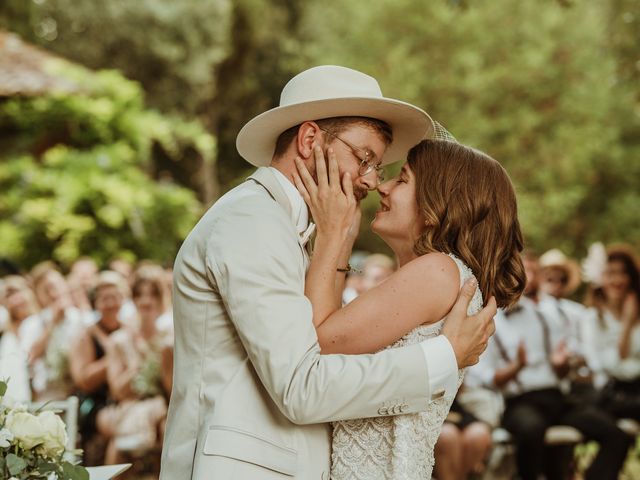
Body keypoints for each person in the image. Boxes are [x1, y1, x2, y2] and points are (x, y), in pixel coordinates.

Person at [160, 65, 497, 480]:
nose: (372, 181)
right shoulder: (251, 220)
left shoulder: (293, 229)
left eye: (381, 167)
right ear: (309, 140)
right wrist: (440, 360)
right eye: (365, 158)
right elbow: (301, 386)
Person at [294, 139, 525, 478]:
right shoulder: (443, 275)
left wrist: (331, 233)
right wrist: (343, 239)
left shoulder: (438, 271)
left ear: (441, 202)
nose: (382, 188)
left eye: (402, 179)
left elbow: (316, 342)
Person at [475, 253, 631, 480]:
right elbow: (488, 379)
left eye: (532, 271)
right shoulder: (489, 321)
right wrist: (516, 367)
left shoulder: (547, 314)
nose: (528, 277)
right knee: (531, 431)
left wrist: (562, 365)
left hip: (557, 399)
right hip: (520, 402)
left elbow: (563, 370)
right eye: (522, 271)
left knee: (615, 435)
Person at [97, 265, 171, 465]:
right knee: (118, 440)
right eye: (140, 295)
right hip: (130, 405)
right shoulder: (120, 340)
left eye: (153, 294)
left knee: (168, 429)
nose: (146, 301)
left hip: (165, 405)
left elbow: (171, 389)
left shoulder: (172, 337)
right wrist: (138, 360)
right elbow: (118, 391)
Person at [69, 270, 126, 465]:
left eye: (115, 297)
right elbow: (83, 380)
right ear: (96, 302)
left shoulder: (128, 329)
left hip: (123, 399)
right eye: (105, 298)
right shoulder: (86, 335)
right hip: (94, 402)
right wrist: (113, 356)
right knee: (123, 430)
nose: (111, 303)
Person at [582, 244, 640, 420]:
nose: (617, 280)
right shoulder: (592, 318)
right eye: (610, 273)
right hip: (611, 394)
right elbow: (611, 365)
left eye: (623, 273)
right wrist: (627, 324)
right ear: (600, 279)